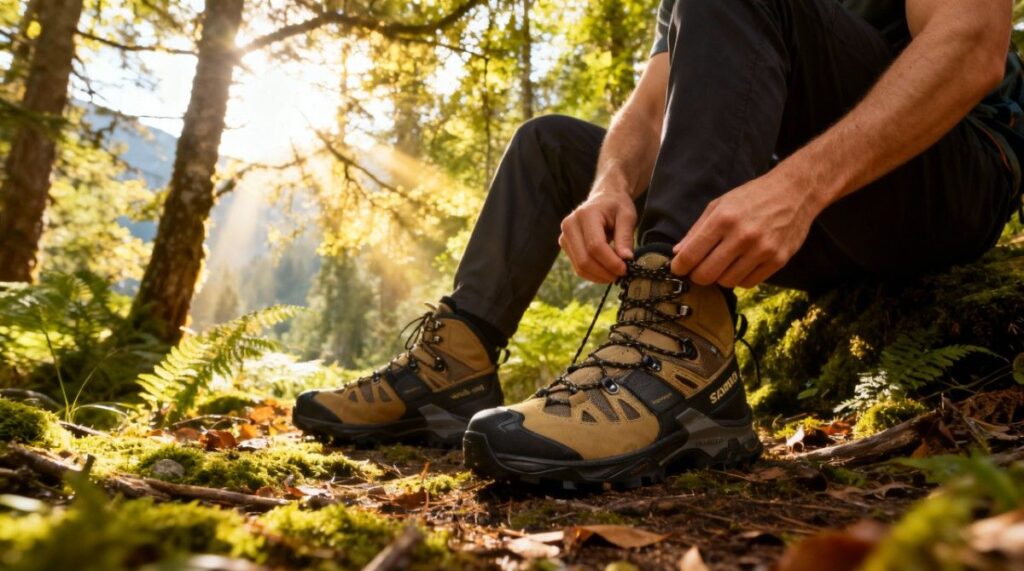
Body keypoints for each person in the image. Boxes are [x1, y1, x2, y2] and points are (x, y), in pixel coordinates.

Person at [294, 0, 1023, 489]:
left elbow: (971, 49)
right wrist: (609, 186)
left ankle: (680, 362)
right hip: (790, 207)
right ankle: (449, 372)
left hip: (945, 177)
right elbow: (650, 107)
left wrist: (800, 187)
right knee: (550, 146)